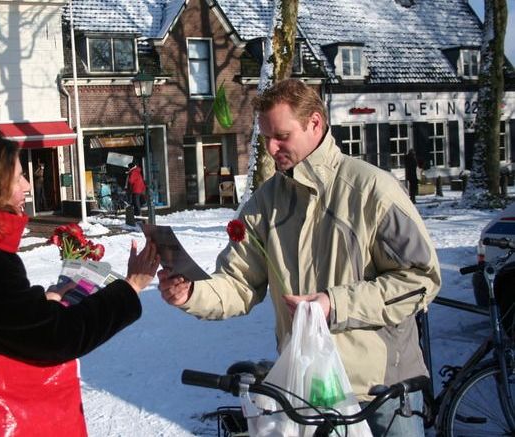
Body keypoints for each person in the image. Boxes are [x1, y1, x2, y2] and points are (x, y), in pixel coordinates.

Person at [158, 79, 441, 436]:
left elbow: (420, 280)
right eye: (265, 137)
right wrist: (192, 294)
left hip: (381, 391)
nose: (272, 148)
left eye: (282, 136)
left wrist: (334, 304)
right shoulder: (263, 205)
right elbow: (239, 282)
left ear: (315, 123)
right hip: (309, 391)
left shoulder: (373, 191)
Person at [0, 133, 160, 436]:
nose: (27, 186)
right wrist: (131, 288)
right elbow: (56, 338)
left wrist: (41, 301)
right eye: (19, 176)